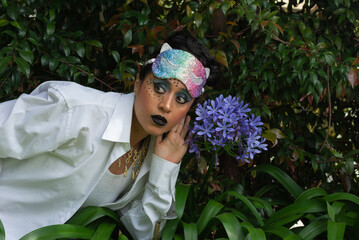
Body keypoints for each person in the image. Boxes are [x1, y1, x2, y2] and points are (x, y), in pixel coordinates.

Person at [0, 30, 218, 240]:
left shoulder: (155, 154)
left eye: (181, 99)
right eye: (159, 87)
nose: (166, 105)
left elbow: (143, 233)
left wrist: (164, 168)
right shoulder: (76, 111)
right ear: (137, 83)